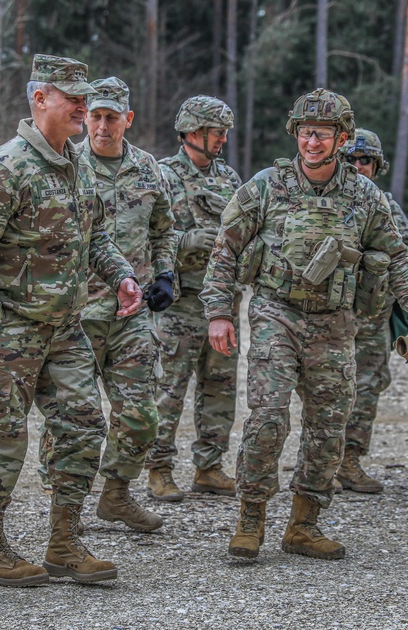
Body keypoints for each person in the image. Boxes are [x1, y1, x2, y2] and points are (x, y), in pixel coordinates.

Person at [201, 88, 408, 560]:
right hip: (275, 313)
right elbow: (224, 251)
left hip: (335, 323)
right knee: (268, 416)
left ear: (342, 139)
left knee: (329, 427)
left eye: (323, 135)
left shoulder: (364, 195)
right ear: (296, 134)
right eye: (307, 133)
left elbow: (394, 257)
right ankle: (251, 517)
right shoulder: (267, 186)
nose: (313, 143)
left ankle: (303, 525)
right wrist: (218, 313)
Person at [0, 55, 141, 587]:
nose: (84, 107)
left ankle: (64, 543)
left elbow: (95, 234)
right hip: (12, 332)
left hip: (65, 330)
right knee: (3, 439)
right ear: (40, 99)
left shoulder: (77, 163)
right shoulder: (4, 166)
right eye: (72, 98)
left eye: (86, 98)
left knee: (83, 428)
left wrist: (122, 275)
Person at [37, 76, 178, 532]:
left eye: (110, 118)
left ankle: (116, 494)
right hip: (75, 312)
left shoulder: (148, 169)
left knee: (140, 415)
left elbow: (164, 229)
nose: (100, 125)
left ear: (127, 120)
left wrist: (165, 274)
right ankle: (66, 507)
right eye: (94, 116)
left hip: (130, 313)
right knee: (71, 419)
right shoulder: (66, 165)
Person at [145, 95, 243, 502]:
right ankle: (159, 468)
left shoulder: (230, 180)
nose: (222, 140)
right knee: (169, 388)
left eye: (223, 133)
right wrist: (187, 241)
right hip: (180, 305)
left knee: (220, 387)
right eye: (217, 132)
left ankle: (209, 466)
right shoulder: (162, 176)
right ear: (194, 132)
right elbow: (146, 237)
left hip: (221, 302)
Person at [335, 129, 408, 494]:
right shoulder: (326, 202)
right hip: (332, 316)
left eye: (365, 160)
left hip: (372, 318)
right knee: (324, 389)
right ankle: (321, 462)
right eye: (351, 160)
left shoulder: (385, 205)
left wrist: (380, 265)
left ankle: (350, 459)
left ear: (377, 164)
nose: (358, 167)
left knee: (367, 389)